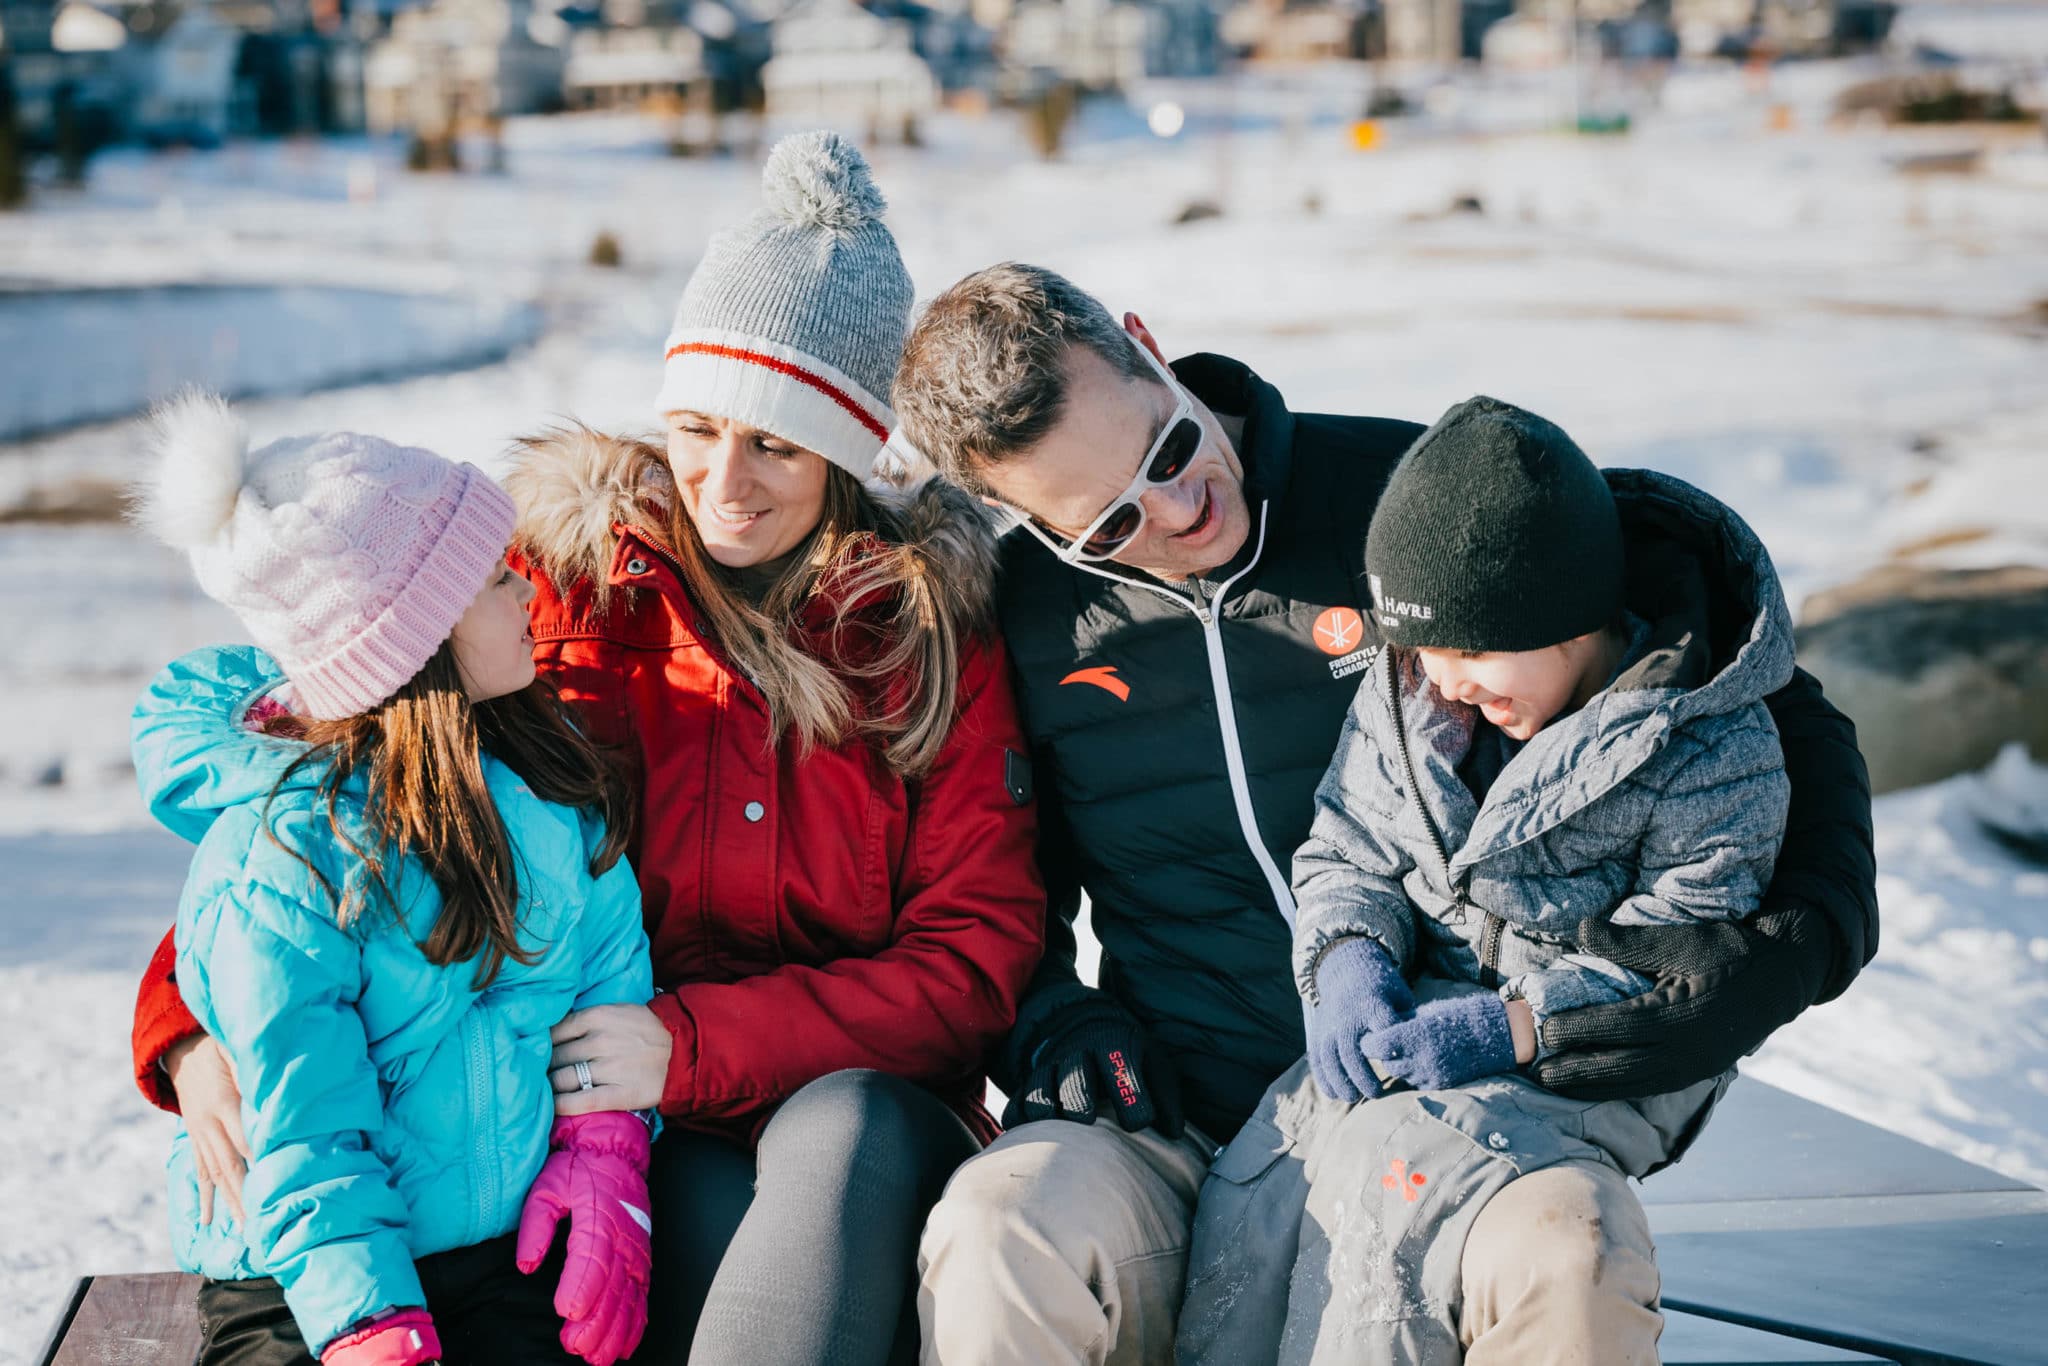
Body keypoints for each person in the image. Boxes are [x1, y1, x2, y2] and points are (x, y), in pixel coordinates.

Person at [128, 133, 1046, 1366]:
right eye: (696, 426)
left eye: (775, 442)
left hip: (849, 1097)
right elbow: (338, 783)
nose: (723, 480)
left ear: (850, 448)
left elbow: (973, 955)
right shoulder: (561, 587)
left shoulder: (923, 638)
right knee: (693, 1232)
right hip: (607, 1127)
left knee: (838, 1145)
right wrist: (182, 1028)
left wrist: (691, 1045)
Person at [890, 263, 1877, 1365]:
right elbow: (973, 884)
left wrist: (1805, 930)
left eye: (1167, 450)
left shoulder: (1401, 499)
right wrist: (1056, 1022)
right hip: (1172, 1113)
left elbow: (1714, 687)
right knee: (994, 1231)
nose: (1178, 507)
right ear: (1015, 514)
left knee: (1568, 1253)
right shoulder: (1019, 622)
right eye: (1113, 522)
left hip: (1457, 1095)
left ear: (1143, 344)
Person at [1209, 394, 1796, 1362]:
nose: (1441, 680)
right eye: (1420, 650)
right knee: (1271, 1212)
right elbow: (1348, 840)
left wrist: (1509, 1024)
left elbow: (1681, 959)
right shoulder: (1410, 693)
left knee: (1396, 1203)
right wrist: (1347, 956)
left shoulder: (1702, 748)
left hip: (1585, 1070)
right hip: (1414, 1045)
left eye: (1471, 650)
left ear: (1566, 615)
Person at [130, 394, 656, 1366]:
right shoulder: (286, 863)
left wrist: (602, 1153)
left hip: (500, 1250)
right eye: (499, 581)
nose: (531, 600)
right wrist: (367, 1324)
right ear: (416, 646)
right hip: (303, 1276)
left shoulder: (550, 789)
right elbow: (304, 1124)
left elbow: (608, 982)